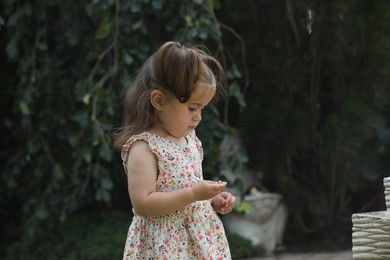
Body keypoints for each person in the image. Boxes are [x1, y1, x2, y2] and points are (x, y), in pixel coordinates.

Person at [113, 41, 236, 259]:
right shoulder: (144, 148)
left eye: (202, 109)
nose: (198, 116)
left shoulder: (189, 139)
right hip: (165, 247)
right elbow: (143, 203)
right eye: (192, 108)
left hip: (197, 243)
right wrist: (193, 194)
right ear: (159, 100)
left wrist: (209, 201)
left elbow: (186, 186)